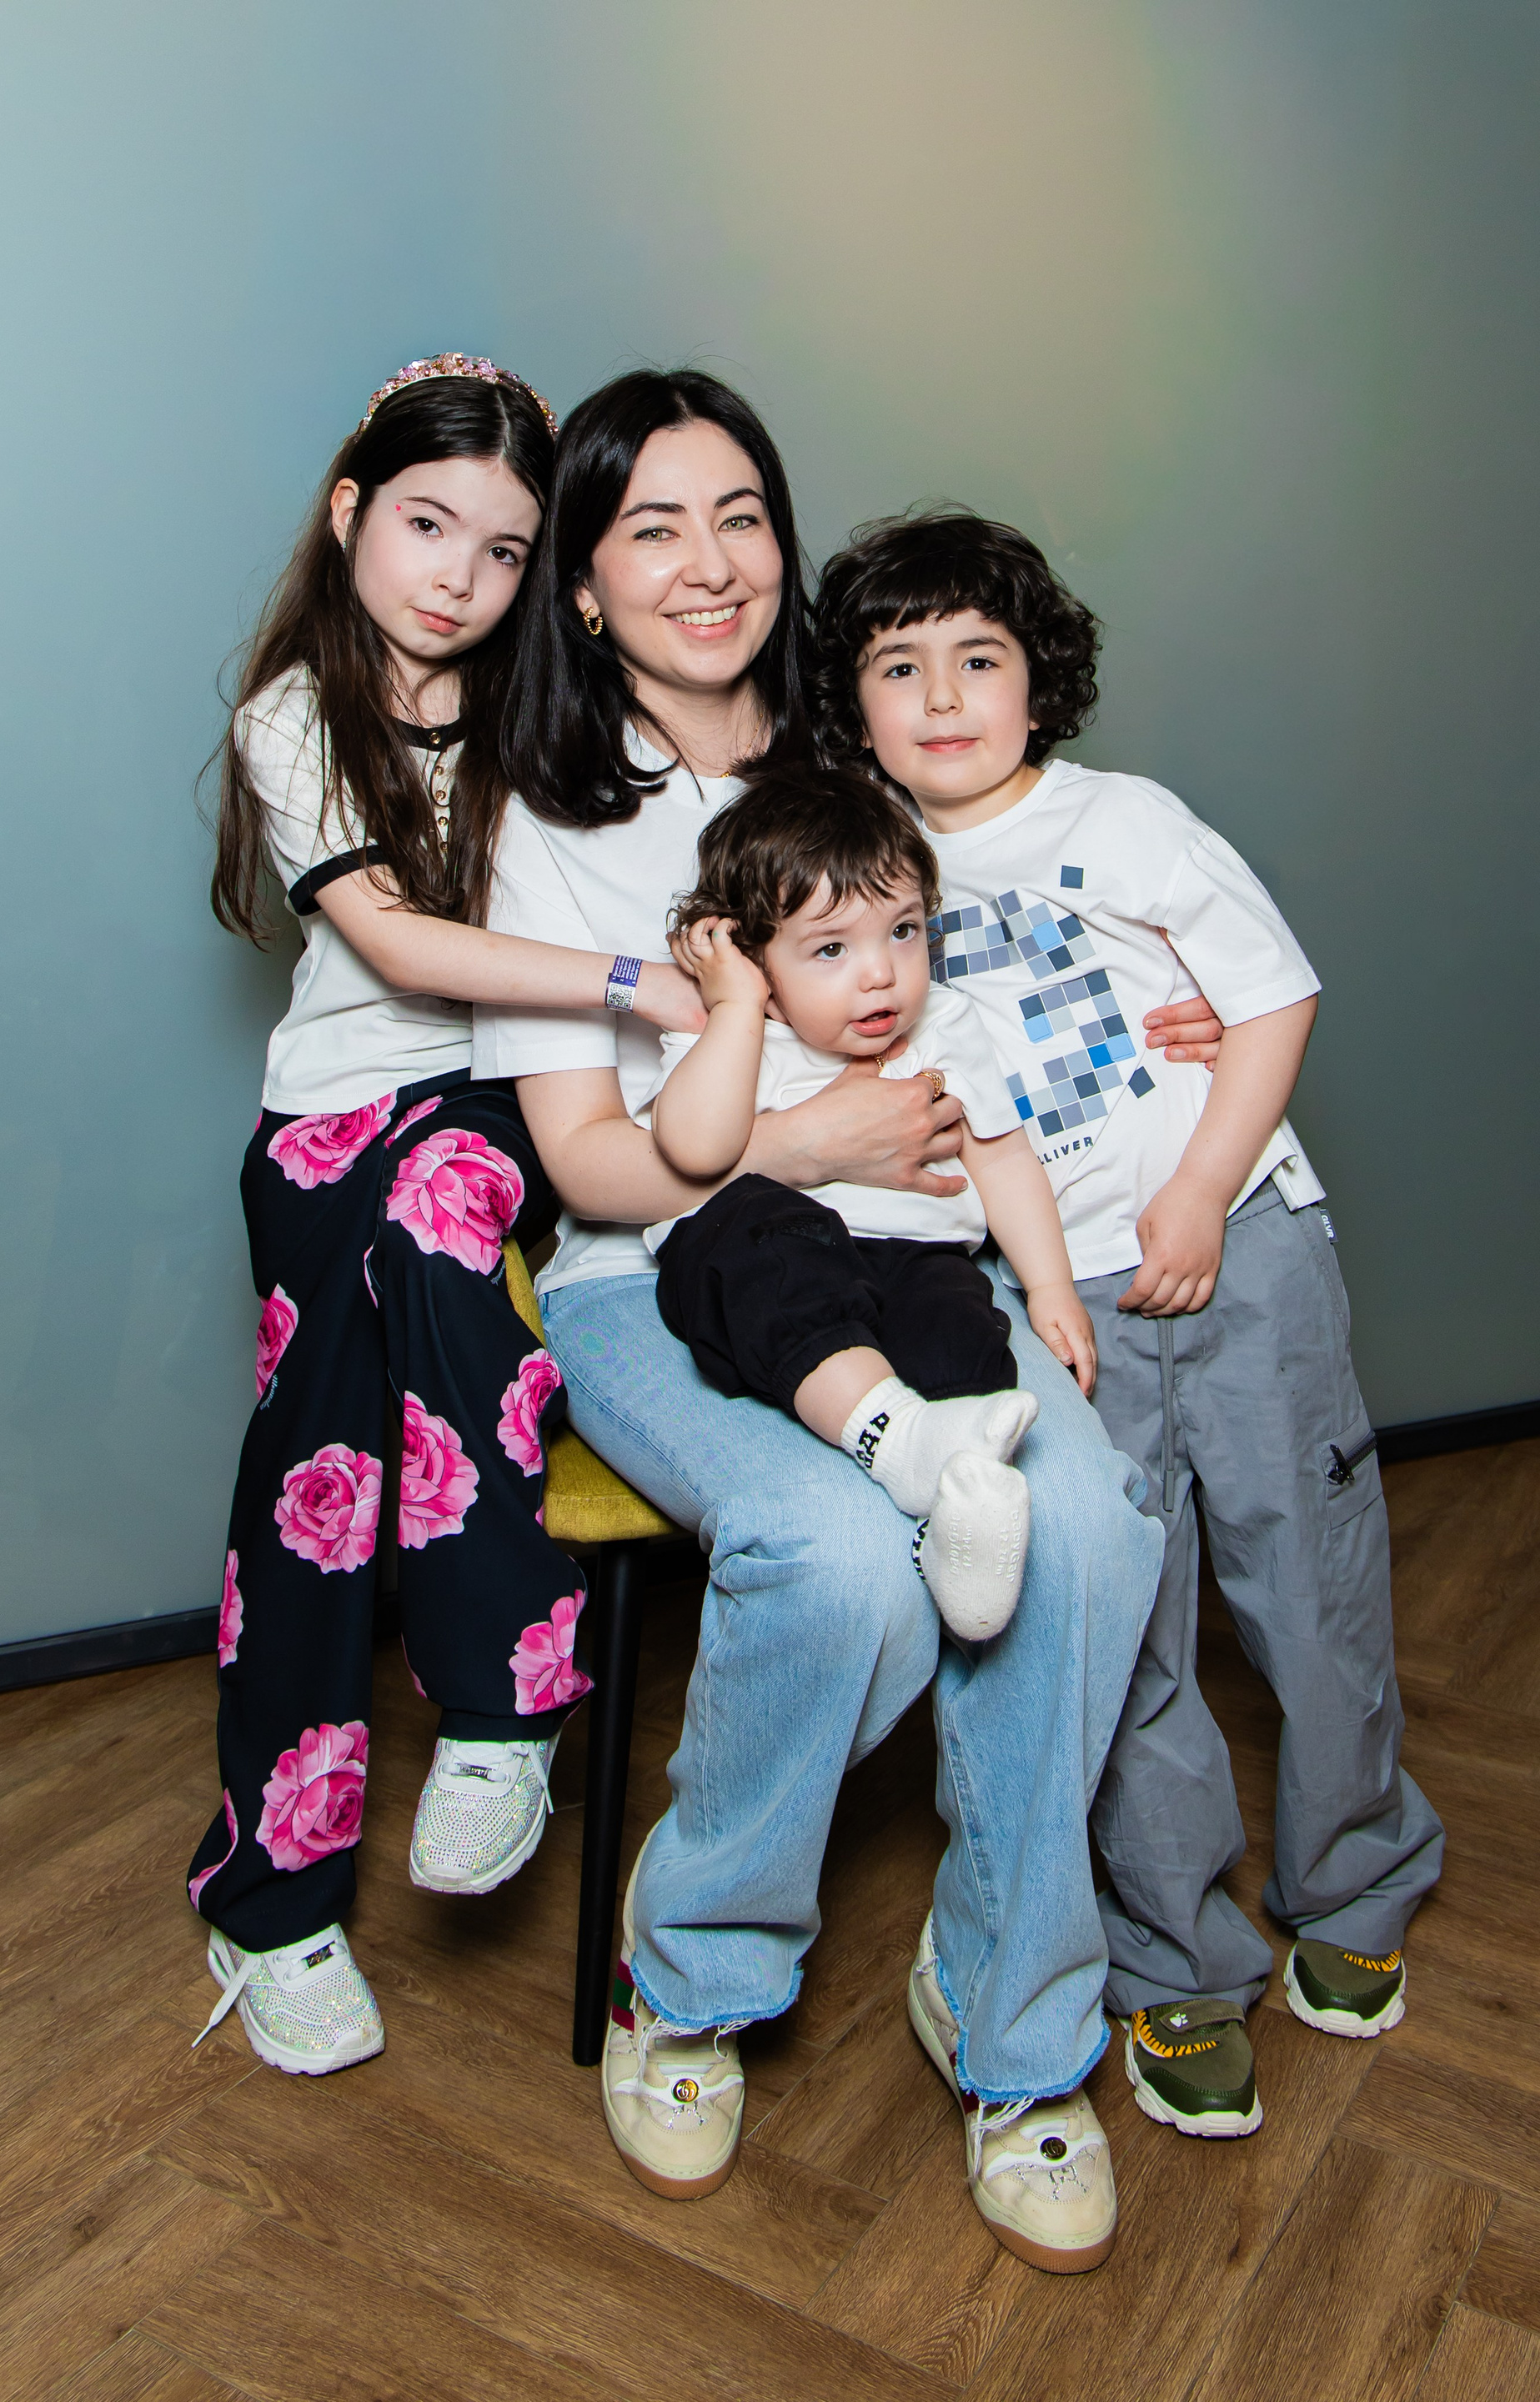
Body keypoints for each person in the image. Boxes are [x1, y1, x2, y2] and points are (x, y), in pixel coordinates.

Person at [479, 367, 1197, 2272]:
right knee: (837, 1553)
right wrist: (793, 1139)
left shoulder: (866, 757)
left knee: (1087, 1521)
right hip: (659, 1272)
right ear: (581, 583)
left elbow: (1024, 953)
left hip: (918, 1255)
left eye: (741, 516)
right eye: (653, 527)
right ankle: (692, 1971)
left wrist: (1180, 1014)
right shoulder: (545, 823)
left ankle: (1014, 2021)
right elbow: (588, 1158)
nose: (710, 562)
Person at [815, 505, 1444, 2140]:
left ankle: (1356, 1879)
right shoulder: (861, 869)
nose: (942, 696)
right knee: (1127, 1622)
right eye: (899, 666)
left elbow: (1274, 994)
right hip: (1058, 1297)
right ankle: (1174, 1953)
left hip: (1240, 1244)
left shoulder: (1129, 820)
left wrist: (1201, 1188)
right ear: (852, 701)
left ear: (1040, 679)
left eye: (978, 659)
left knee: (1312, 1578)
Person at [191, 355, 701, 2079]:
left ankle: (502, 1701)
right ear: (351, 514)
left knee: (436, 1210)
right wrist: (635, 981)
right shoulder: (293, 713)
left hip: (501, 1095)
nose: (456, 578)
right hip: (326, 1120)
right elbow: (400, 945)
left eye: (502, 550)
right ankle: (273, 1904)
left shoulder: (554, 703)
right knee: (316, 1481)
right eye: (425, 525)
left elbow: (732, 806)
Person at [645, 765, 1098, 1642]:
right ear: (753, 957)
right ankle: (894, 1437)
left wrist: (1050, 1287)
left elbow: (1002, 1155)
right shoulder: (738, 1037)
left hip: (917, 1258)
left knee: (965, 1341)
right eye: (830, 950)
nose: (881, 976)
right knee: (762, 1240)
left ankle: (958, 1513)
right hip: (772, 1260)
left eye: (903, 931)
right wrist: (735, 1005)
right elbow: (694, 1151)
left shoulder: (947, 1026)